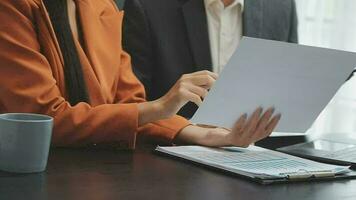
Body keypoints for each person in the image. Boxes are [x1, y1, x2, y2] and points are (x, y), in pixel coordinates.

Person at [0, 0, 280, 149]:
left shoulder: (103, 6)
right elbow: (42, 119)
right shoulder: (13, 6)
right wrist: (159, 106)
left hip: (99, 172)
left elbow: (129, 107)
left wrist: (204, 135)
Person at [123, 0, 299, 118]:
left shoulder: (282, 6)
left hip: (261, 153)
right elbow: (129, 105)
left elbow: (286, 91)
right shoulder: (148, 6)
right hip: (174, 150)